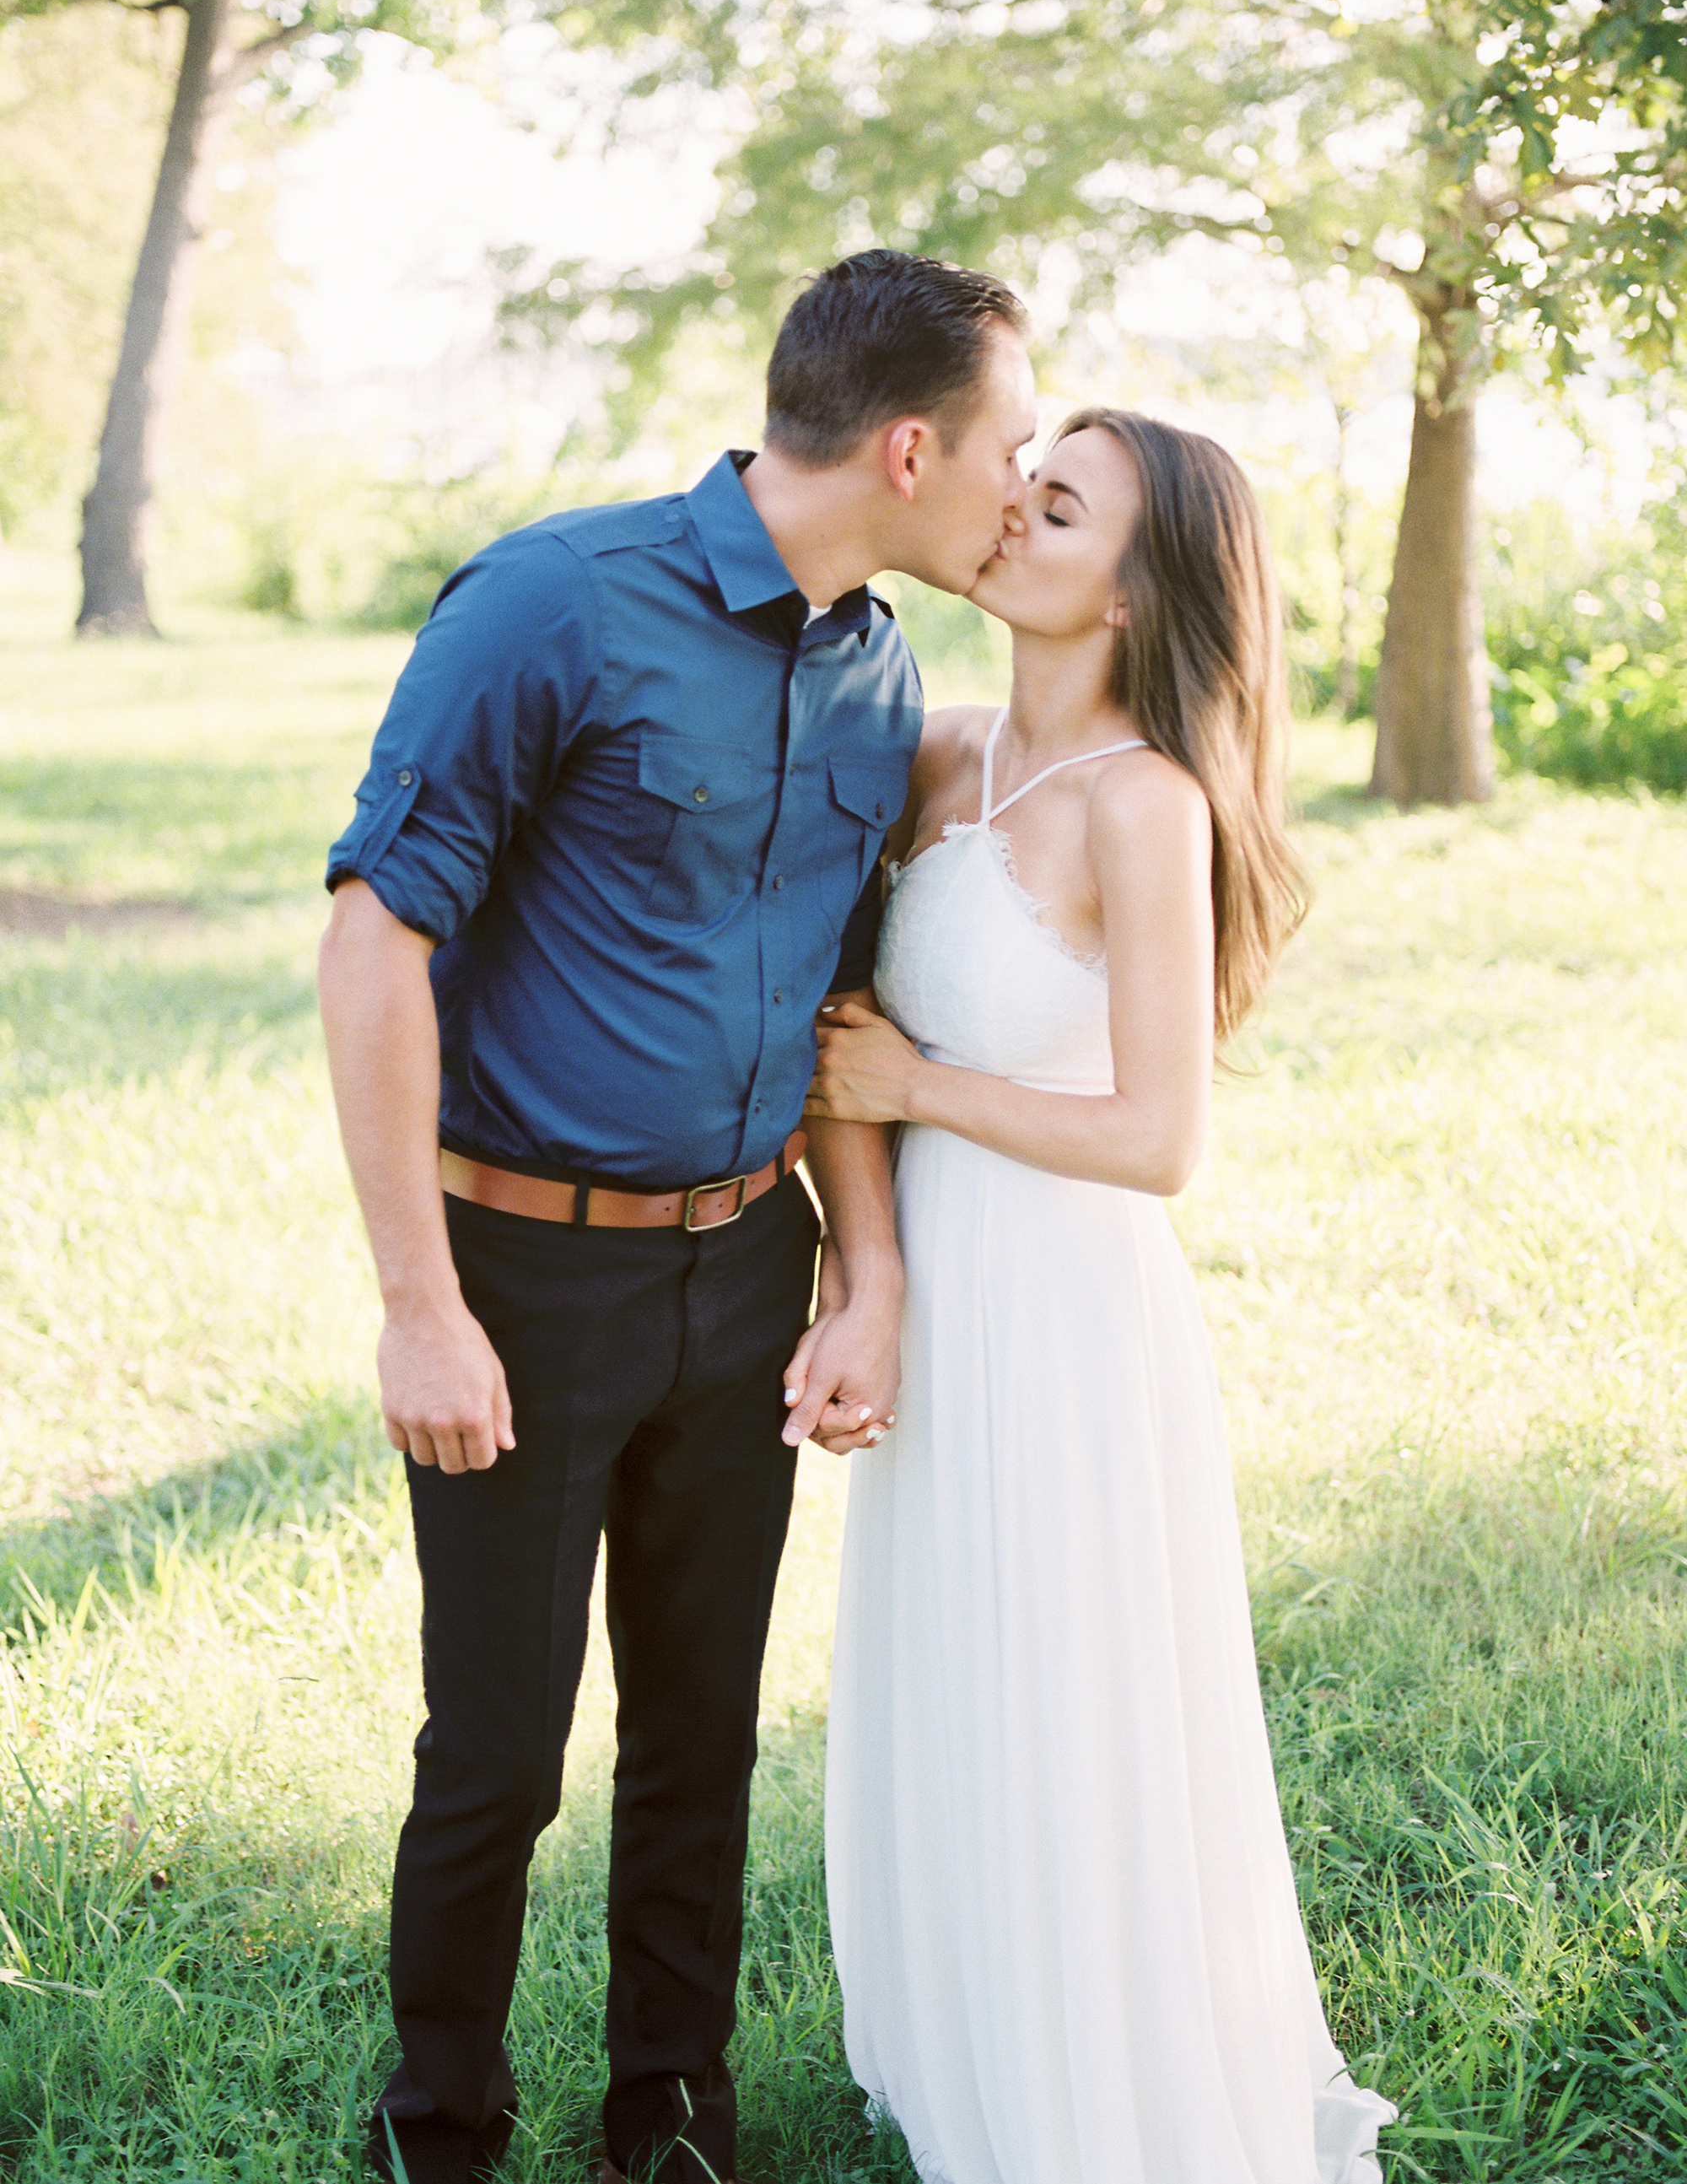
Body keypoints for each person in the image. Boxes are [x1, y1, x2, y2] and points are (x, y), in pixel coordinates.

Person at [315, 249, 1037, 2184]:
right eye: (1004, 450)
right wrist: (418, 1301)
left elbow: (838, 1011)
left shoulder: (880, 666)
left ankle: (673, 2114)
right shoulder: (556, 603)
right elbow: (375, 939)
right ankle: (440, 2126)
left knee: (698, 1733)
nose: (1014, 490)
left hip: (751, 1272)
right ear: (907, 446)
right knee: (494, 1750)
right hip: (526, 1279)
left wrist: (861, 1276)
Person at [806, 407, 1398, 2183]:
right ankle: (970, 2040)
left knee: (1069, 1702)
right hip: (934, 1291)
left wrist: (924, 1096)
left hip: (1068, 1310)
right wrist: (867, 1268)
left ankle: (1096, 2086)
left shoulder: (1146, 804)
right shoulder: (935, 755)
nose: (1008, 513)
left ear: (1139, 591)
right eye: (1022, 481)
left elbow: (1158, 1138)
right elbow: (838, 1043)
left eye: (1057, 507)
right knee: (955, 1684)